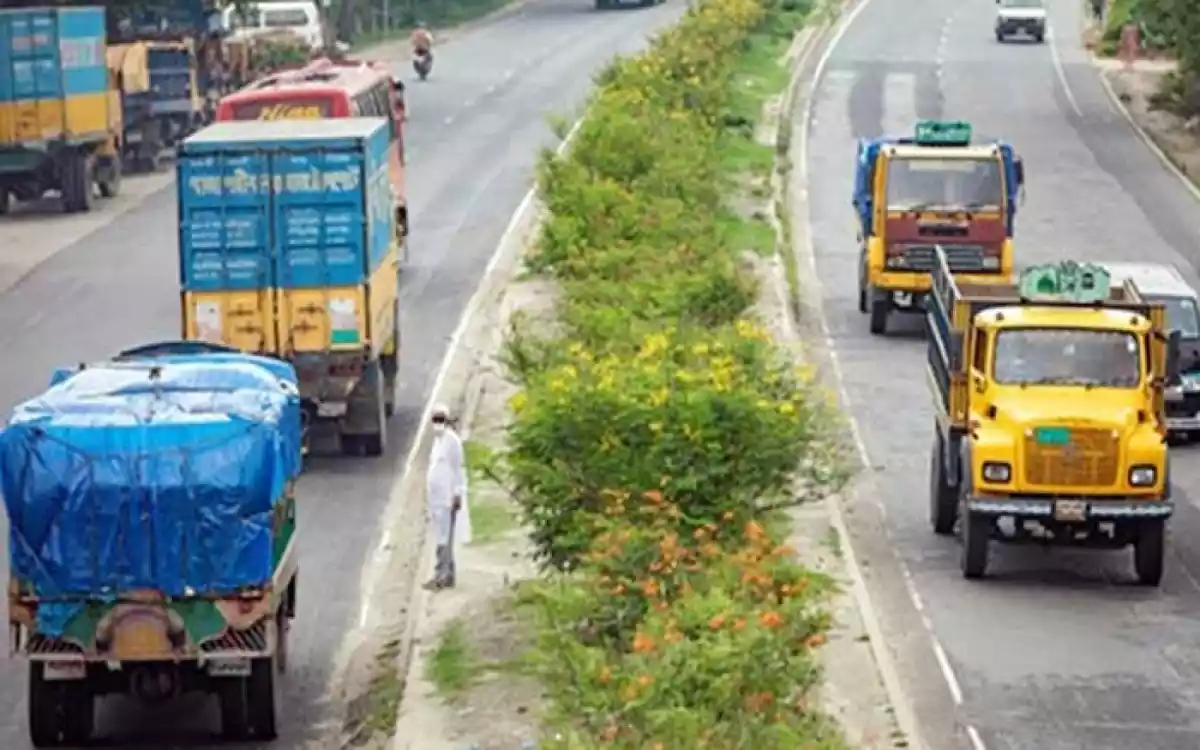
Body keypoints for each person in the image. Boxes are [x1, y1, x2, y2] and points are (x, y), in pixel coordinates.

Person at [424, 403, 470, 591]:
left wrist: (457, 493)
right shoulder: (438, 441)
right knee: (442, 535)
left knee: (445, 537)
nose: (438, 423)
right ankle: (447, 574)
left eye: (440, 419)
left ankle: (441, 575)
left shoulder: (452, 441)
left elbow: (458, 469)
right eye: (435, 419)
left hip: (447, 497)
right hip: (436, 498)